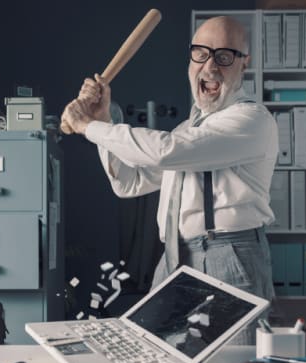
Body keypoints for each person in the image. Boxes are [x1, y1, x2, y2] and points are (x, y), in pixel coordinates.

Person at [61, 16, 278, 344]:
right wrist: (103, 118)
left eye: (224, 57)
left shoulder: (252, 120)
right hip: (176, 255)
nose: (210, 67)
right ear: (190, 60)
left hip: (230, 255)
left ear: (243, 64)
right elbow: (129, 183)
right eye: (201, 54)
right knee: (157, 355)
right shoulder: (187, 131)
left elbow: (164, 152)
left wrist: (87, 127)